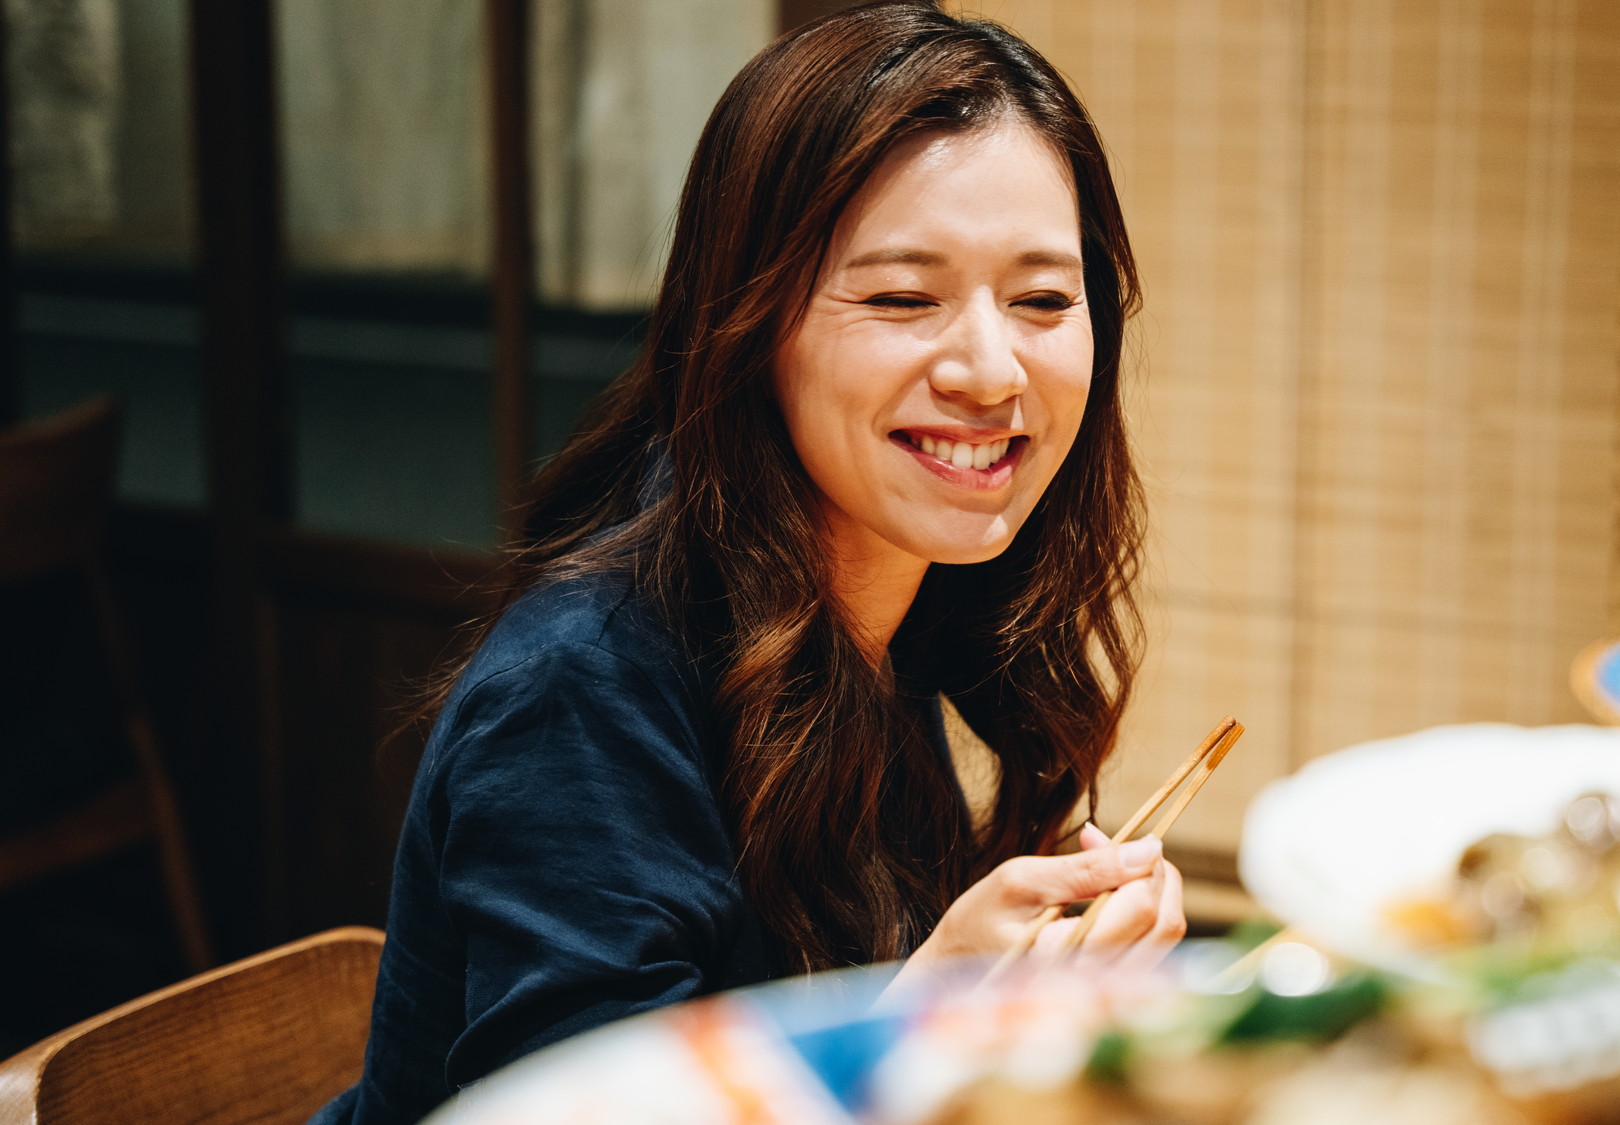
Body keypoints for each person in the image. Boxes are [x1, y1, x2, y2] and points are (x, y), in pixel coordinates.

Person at [310, 3, 1180, 1121]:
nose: (989, 368)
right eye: (903, 297)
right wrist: (915, 1030)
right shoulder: (578, 693)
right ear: (749, 318)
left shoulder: (894, 587)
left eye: (1043, 301)